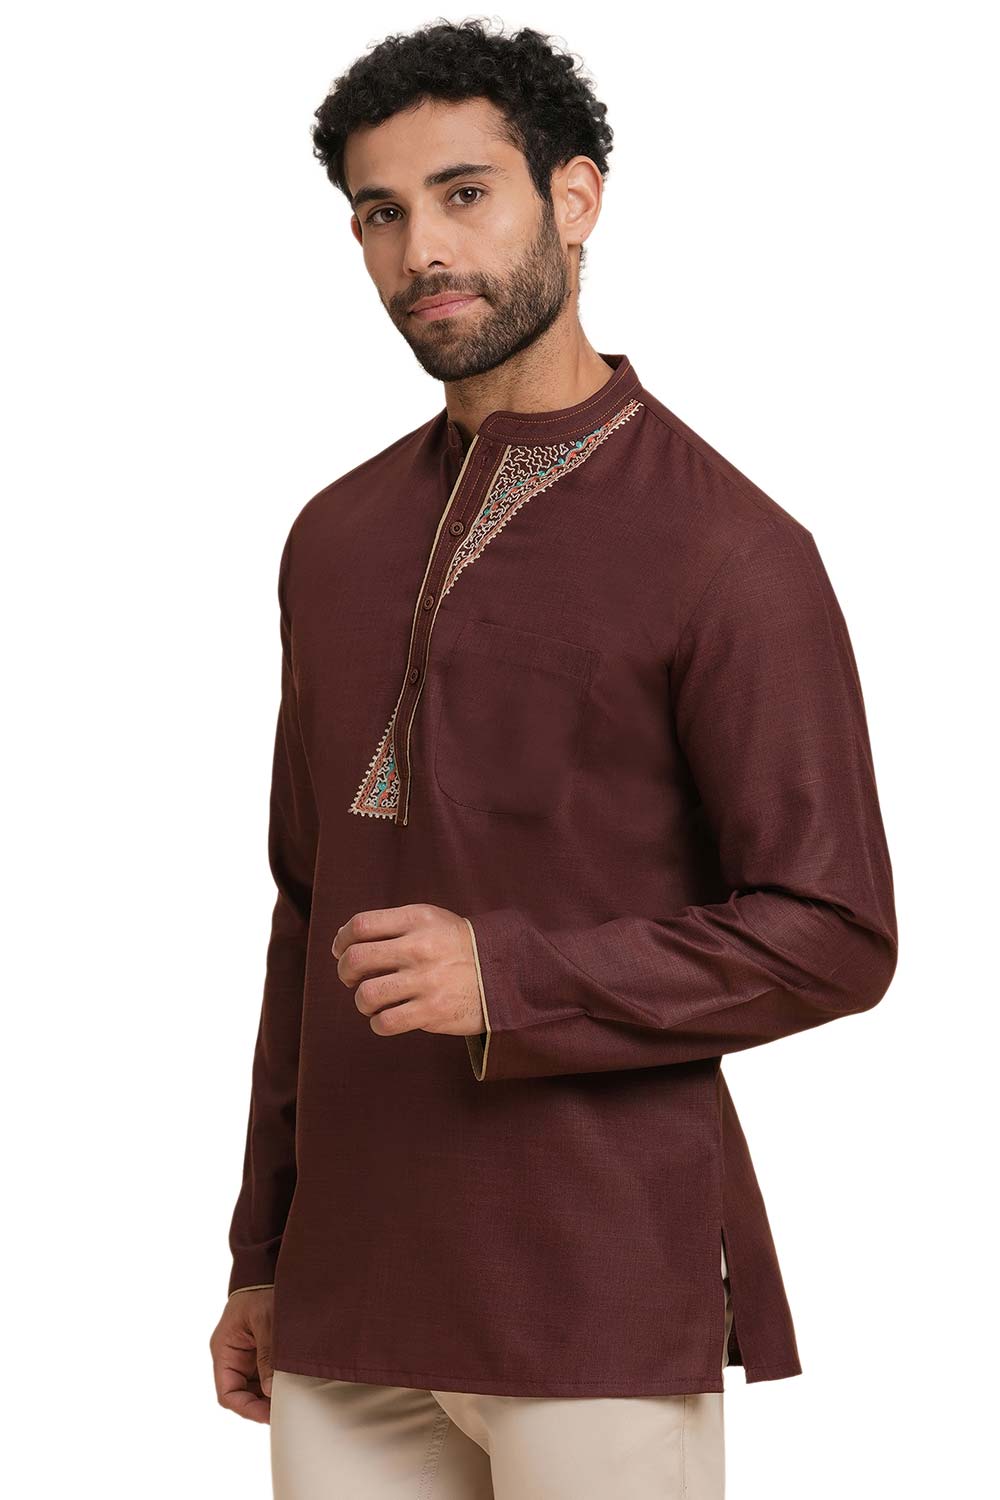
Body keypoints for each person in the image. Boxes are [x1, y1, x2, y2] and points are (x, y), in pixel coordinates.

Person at [209, 19, 898, 1499]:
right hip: (349, 1297)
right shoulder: (333, 536)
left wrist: (509, 977)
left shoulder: (730, 549)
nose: (421, 252)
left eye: (465, 195)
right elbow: (304, 910)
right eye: (381, 214)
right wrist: (262, 1250)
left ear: (574, 199)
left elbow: (835, 932)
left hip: (591, 1292)